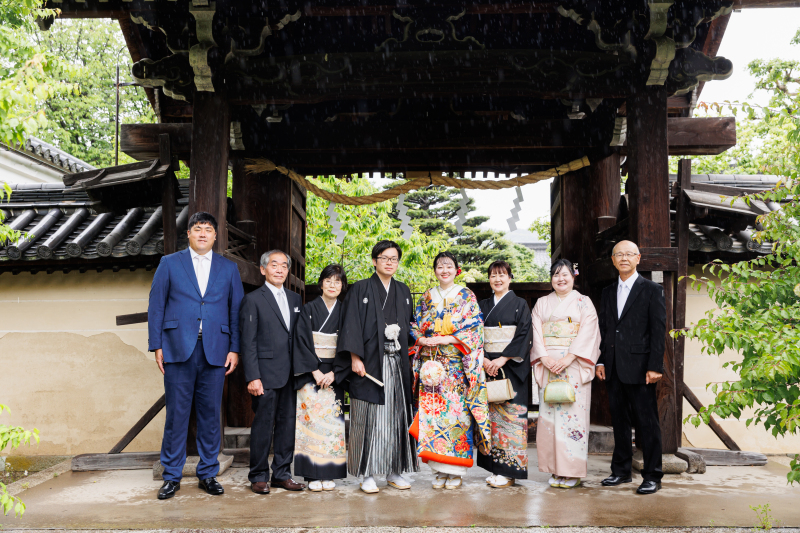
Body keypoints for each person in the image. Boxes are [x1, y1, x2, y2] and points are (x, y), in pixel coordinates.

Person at [148, 211, 243, 500]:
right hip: (178, 347)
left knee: (210, 415)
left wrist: (235, 347)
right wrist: (157, 345)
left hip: (216, 349)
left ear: (216, 236)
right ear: (188, 234)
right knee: (177, 415)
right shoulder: (169, 263)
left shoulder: (228, 269)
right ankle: (172, 476)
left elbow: (236, 310)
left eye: (208, 230)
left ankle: (208, 473)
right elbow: (156, 306)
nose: (203, 234)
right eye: (197, 229)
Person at [334, 240, 419, 494]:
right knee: (367, 418)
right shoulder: (360, 288)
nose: (389, 262)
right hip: (370, 364)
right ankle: (367, 473)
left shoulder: (403, 291)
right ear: (374, 261)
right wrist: (354, 358)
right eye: (384, 258)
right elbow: (350, 324)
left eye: (394, 258)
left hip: (397, 363)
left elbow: (411, 328)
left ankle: (395, 471)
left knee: (397, 417)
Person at [410, 251, 491, 490]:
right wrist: (422, 339)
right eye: (439, 266)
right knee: (432, 417)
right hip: (431, 367)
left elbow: (475, 328)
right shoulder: (427, 296)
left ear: (457, 270)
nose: (444, 270)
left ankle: (455, 471)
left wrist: (446, 339)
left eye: (448, 266)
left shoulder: (466, 295)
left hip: (456, 366)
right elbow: (415, 323)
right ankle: (438, 469)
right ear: (434, 270)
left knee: (457, 415)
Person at [596, 240, 665, 495]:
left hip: (641, 368)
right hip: (613, 366)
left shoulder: (651, 290)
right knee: (619, 422)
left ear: (638, 258)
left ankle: (653, 475)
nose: (623, 258)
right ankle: (621, 471)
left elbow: (659, 331)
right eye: (618, 255)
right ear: (613, 260)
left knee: (647, 423)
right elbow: (604, 329)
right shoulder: (607, 291)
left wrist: (655, 366)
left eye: (628, 254)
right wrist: (601, 360)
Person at [530, 259, 601, 489]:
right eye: (556, 275)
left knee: (573, 418)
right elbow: (536, 333)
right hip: (550, 364)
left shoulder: (584, 302)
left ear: (574, 276)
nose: (561, 279)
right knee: (549, 417)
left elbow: (589, 332)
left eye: (565, 274)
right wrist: (545, 358)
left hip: (573, 365)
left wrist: (569, 358)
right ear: (551, 278)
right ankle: (554, 469)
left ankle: (571, 471)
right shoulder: (541, 303)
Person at [240, 250, 306, 494]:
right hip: (265, 375)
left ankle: (282, 474)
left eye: (284, 266)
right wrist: (252, 376)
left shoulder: (295, 300)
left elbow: (299, 338)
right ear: (263, 269)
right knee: (263, 426)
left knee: (288, 426)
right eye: (274, 265)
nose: (279, 269)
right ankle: (258, 475)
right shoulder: (253, 299)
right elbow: (248, 342)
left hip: (292, 375)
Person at [292, 264, 348, 492]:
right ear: (321, 283)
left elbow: (348, 343)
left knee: (332, 426)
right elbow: (301, 340)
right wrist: (314, 370)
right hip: (311, 373)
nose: (333, 285)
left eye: (337, 282)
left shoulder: (346, 311)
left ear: (342, 286)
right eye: (328, 281)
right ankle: (312, 475)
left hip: (334, 373)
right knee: (310, 423)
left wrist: (336, 372)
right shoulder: (309, 309)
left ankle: (330, 473)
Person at [477, 260, 533, 488]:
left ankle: (510, 471)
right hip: (487, 366)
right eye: (493, 275)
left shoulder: (520, 304)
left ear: (510, 278)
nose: (497, 279)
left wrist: (502, 359)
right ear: (489, 279)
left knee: (511, 420)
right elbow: (473, 335)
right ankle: (495, 468)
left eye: (502, 275)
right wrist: (484, 359)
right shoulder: (482, 305)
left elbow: (523, 335)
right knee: (491, 419)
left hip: (510, 366)